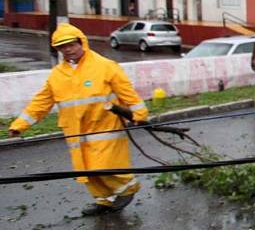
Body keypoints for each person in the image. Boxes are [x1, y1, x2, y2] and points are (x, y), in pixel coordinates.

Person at [7, 23, 149, 216]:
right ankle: (104, 201)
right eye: (62, 47)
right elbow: (41, 103)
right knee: (87, 171)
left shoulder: (105, 66)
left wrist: (140, 115)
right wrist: (19, 126)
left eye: (71, 45)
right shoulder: (57, 75)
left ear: (82, 42)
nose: (68, 50)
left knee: (104, 165)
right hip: (75, 131)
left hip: (104, 126)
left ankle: (128, 189)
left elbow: (127, 93)